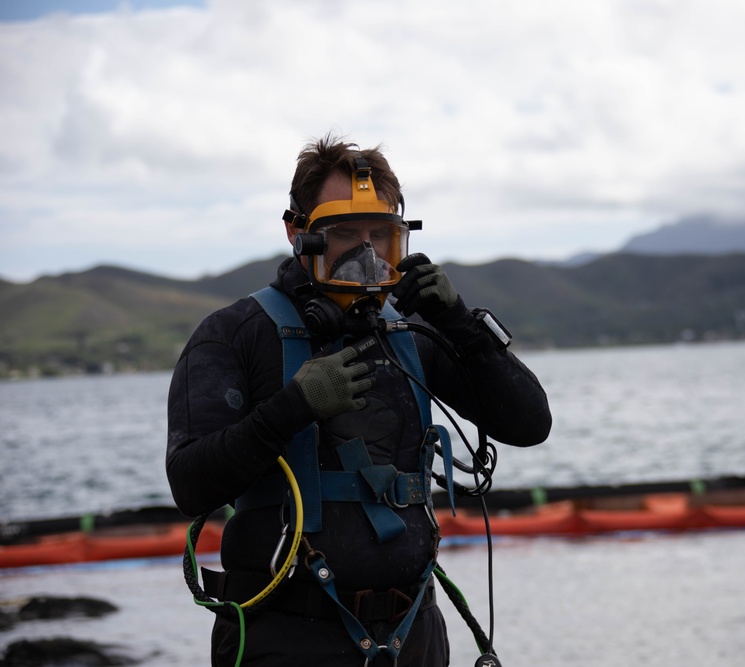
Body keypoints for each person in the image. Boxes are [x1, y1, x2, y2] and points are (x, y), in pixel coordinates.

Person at [166, 134, 552, 666]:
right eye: (344, 233)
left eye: (382, 234)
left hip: (411, 633)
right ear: (297, 232)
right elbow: (190, 484)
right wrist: (293, 406)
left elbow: (530, 423)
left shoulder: (414, 333)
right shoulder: (234, 334)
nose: (365, 252)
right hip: (284, 636)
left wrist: (458, 322)